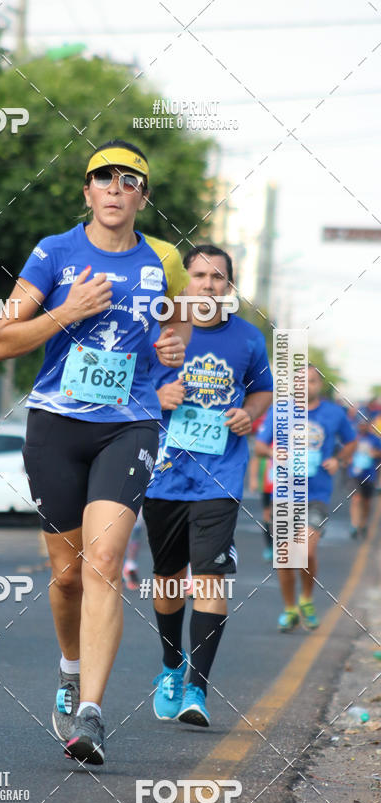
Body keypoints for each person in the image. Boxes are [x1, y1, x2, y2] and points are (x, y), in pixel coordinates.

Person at [0, 140, 191, 765]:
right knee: (69, 574)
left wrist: (172, 349)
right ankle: (69, 666)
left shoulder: (164, 260)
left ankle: (92, 715)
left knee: (105, 561)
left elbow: (179, 321)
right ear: (87, 192)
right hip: (56, 424)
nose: (115, 188)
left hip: (128, 425)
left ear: (141, 197)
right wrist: (66, 311)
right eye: (103, 178)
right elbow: (2, 341)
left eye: (129, 180)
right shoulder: (53, 253)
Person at [143, 245, 273, 727]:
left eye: (218, 278)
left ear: (229, 289)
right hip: (163, 475)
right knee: (169, 577)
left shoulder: (248, 339)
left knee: (211, 576)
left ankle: (198, 687)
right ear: (186, 284)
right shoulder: (161, 332)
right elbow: (126, 389)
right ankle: (171, 664)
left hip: (221, 476)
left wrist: (250, 413)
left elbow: (262, 388)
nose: (208, 285)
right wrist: (158, 395)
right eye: (199, 275)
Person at [255, 366, 356, 632]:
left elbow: (351, 442)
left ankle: (307, 599)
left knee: (306, 550)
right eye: (300, 381)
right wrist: (275, 454)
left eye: (311, 381)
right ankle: (290, 609)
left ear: (319, 385)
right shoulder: (279, 411)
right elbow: (260, 445)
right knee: (286, 556)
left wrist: (339, 459)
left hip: (316, 494)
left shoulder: (334, 413)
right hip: (284, 494)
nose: (306, 386)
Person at [348, 409, 381, 538]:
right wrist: (348, 458)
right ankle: (354, 525)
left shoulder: (375, 439)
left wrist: (375, 454)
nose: (363, 426)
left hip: (370, 474)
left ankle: (363, 523)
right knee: (356, 499)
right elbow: (344, 451)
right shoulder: (353, 438)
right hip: (354, 473)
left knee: (366, 502)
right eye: (361, 424)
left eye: (365, 424)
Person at [248, 415, 274, 561]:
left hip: (288, 481)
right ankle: (270, 546)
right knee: (268, 515)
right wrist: (253, 479)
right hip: (268, 480)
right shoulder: (266, 435)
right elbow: (256, 458)